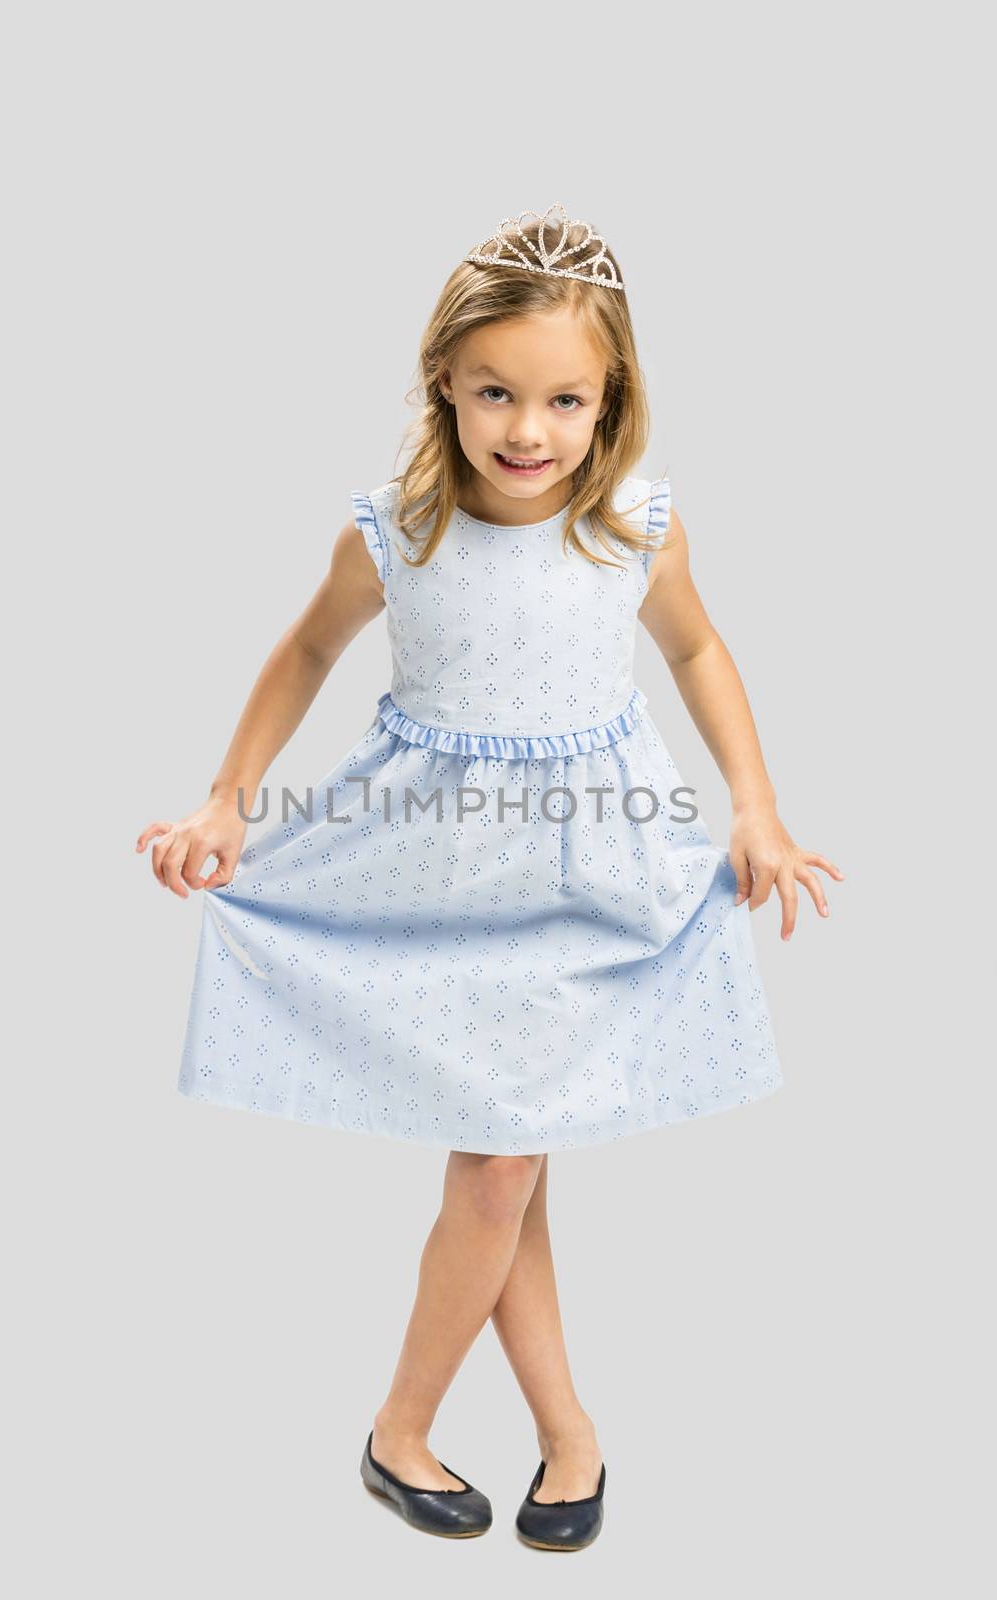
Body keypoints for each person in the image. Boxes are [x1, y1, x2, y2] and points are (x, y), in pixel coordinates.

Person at [136, 201, 843, 1551]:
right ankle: (500, 1431)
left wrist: (755, 809)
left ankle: (492, 1428)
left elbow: (697, 655)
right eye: (496, 394)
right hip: (431, 873)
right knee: (505, 1160)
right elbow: (301, 655)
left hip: (590, 877)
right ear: (443, 387)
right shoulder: (397, 531)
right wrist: (225, 804)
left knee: (504, 1159)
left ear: (611, 396)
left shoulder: (636, 525)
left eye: (565, 398)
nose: (530, 429)